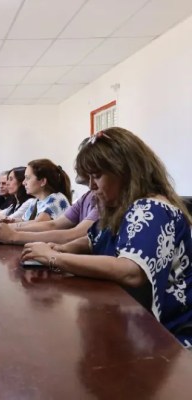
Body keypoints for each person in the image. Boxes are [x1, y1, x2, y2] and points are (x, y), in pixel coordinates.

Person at [22, 127, 192, 346]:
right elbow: (94, 239)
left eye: (97, 176)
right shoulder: (123, 207)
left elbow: (131, 271)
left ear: (126, 172)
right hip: (137, 320)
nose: (92, 186)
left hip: (171, 335)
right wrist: (62, 248)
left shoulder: (152, 208)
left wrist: (54, 258)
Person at [0, 188, 98, 245]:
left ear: (42, 181)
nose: (24, 182)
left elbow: (73, 234)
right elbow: (53, 224)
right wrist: (10, 227)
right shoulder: (87, 196)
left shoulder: (55, 198)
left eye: (28, 178)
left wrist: (13, 235)